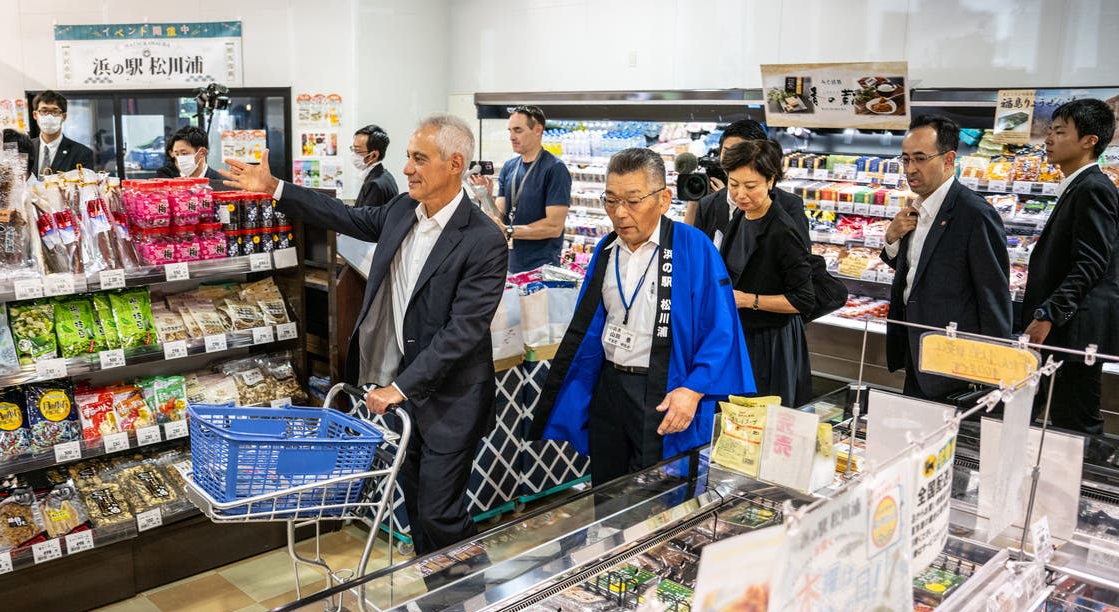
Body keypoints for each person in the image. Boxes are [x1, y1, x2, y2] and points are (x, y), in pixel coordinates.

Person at [219, 114, 508, 555]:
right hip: (408, 395)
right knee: (418, 509)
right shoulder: (402, 211)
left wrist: (400, 386)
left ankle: (474, 607)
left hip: (452, 400)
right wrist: (277, 188)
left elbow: (463, 331)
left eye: (419, 159)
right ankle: (443, 610)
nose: (407, 168)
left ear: (454, 164)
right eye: (409, 157)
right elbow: (345, 216)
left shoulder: (483, 238)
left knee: (440, 513)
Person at [531, 147, 755, 486]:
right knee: (608, 489)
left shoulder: (693, 248)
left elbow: (720, 328)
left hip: (664, 389)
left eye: (633, 201)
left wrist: (693, 390)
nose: (620, 213)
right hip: (610, 388)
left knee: (662, 495)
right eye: (611, 200)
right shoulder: (605, 250)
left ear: (664, 200)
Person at [881, 115, 1012, 400]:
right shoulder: (916, 208)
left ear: (949, 159)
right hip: (916, 349)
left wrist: (993, 368)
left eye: (920, 158)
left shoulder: (975, 214)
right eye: (905, 160)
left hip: (954, 361)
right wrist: (892, 241)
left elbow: (994, 296)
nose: (911, 169)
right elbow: (920, 269)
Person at [1022, 98, 1119, 435]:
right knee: (1061, 418)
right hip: (1068, 329)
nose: (1048, 139)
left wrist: (1048, 313)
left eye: (1060, 132)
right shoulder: (1078, 185)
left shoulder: (1093, 188)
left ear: (1089, 141)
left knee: (1076, 424)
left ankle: (1081, 485)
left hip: (1075, 334)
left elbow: (1091, 262)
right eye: (1050, 131)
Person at [718, 140, 816, 407]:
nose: (740, 194)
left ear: (771, 181)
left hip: (772, 342)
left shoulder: (783, 231)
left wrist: (749, 300)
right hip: (742, 335)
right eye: (734, 184)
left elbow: (803, 299)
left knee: (764, 419)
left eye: (750, 186)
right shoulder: (740, 217)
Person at [476, 105, 571, 272]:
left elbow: (554, 227)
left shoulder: (555, 169)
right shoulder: (509, 167)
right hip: (508, 264)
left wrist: (510, 231)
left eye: (518, 130)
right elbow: (500, 218)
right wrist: (485, 196)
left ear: (538, 130)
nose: (512, 137)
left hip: (541, 271)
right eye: (510, 131)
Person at [685, 120, 809, 246]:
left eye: (741, 153)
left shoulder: (789, 205)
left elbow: (802, 259)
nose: (732, 159)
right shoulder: (708, 204)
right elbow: (693, 249)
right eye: (727, 151)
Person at [30, 90, 94, 174]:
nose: (49, 116)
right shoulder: (26, 149)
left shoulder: (82, 153)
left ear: (64, 116)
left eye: (55, 111)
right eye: (44, 111)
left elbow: (85, 185)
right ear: (35, 115)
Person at [351, 124, 399, 207]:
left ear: (373, 155)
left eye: (357, 150)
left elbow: (366, 218)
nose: (353, 154)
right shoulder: (385, 176)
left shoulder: (374, 184)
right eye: (353, 149)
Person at [156, 125, 224, 184]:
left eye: (184, 153)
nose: (180, 159)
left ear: (202, 152)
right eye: (177, 154)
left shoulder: (222, 183)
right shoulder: (169, 181)